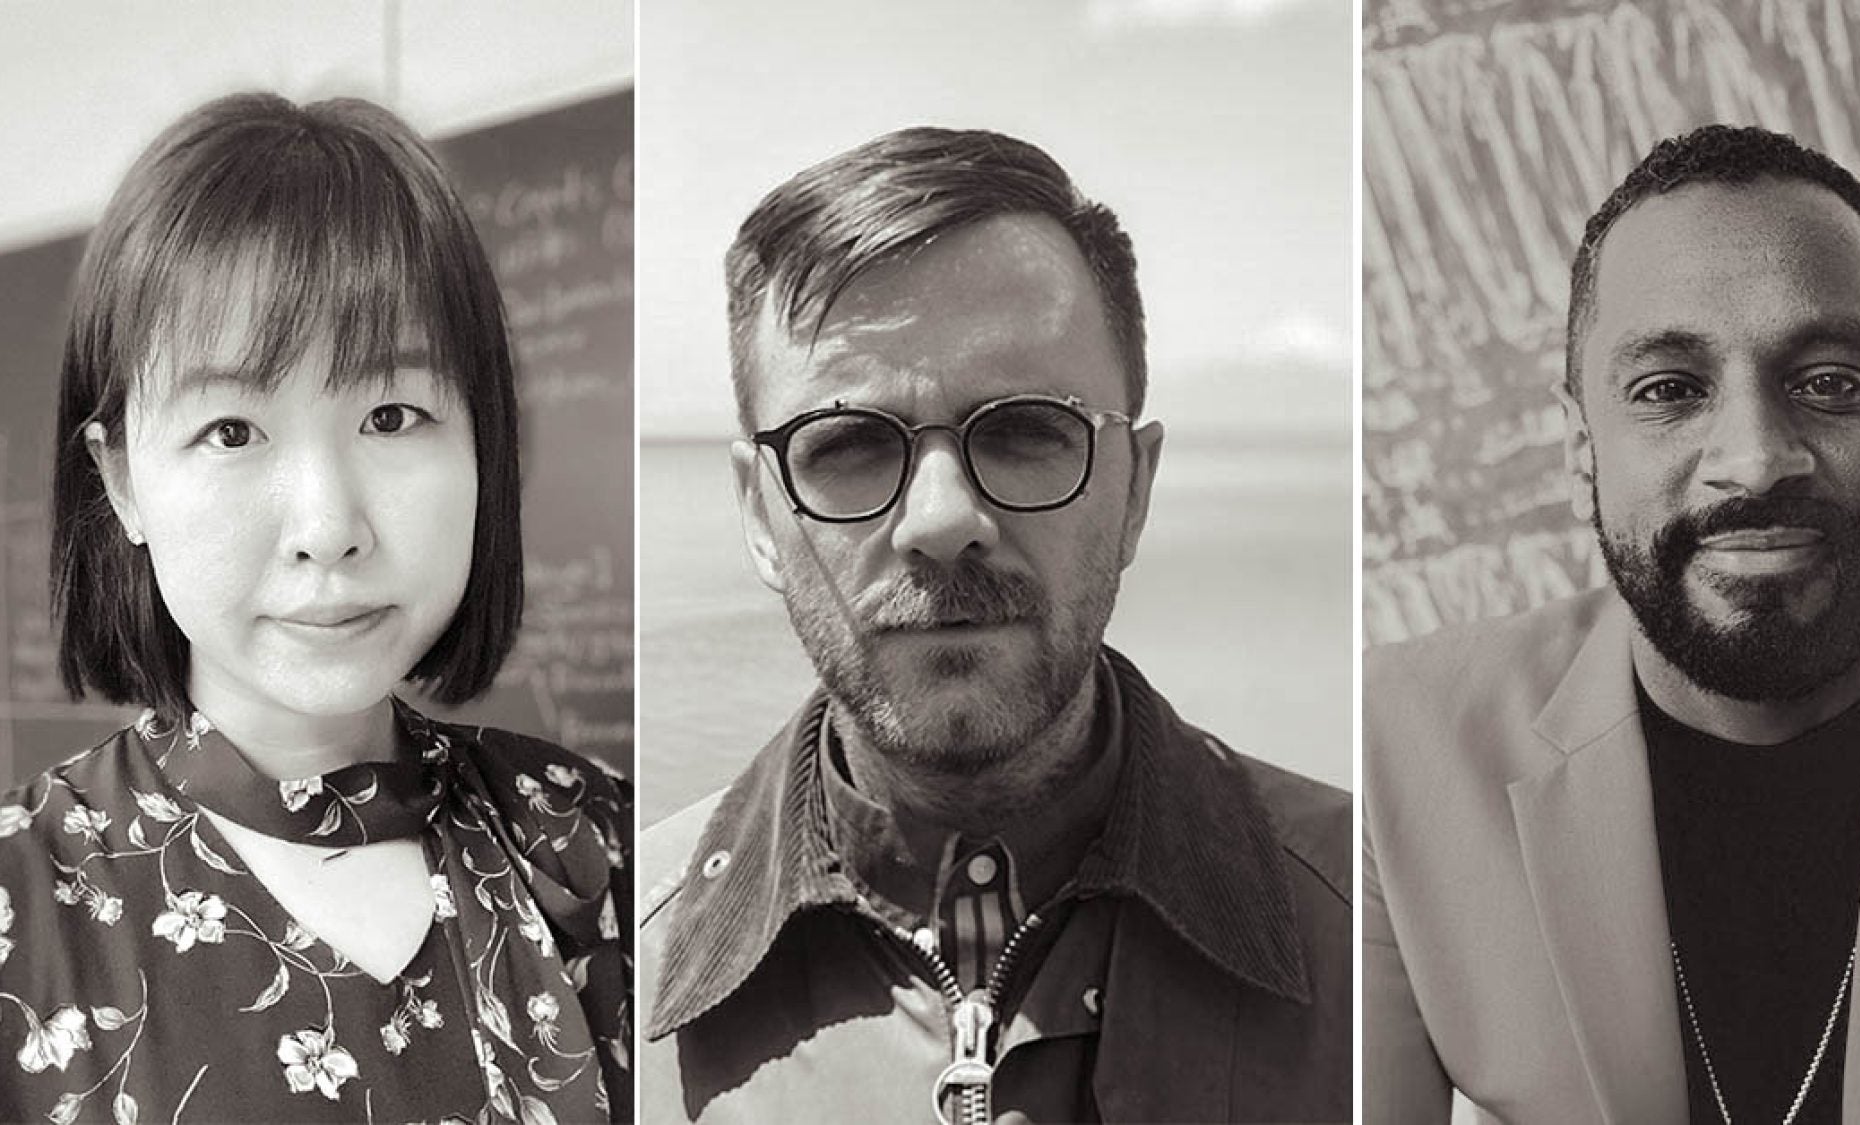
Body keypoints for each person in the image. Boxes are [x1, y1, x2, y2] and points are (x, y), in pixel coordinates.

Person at [638, 127, 1351, 1123]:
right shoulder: (613, 975)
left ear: (1134, 489)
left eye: (1023, 432)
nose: (939, 522)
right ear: (760, 515)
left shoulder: (1373, 930)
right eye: (845, 444)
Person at [0, 94, 632, 1123]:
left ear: (483, 445)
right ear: (121, 483)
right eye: (233, 431)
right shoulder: (20, 905)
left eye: (391, 415)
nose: (328, 526)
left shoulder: (595, 841)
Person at [1363, 124, 1860, 1123]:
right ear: (1582, 446)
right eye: (1667, 390)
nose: (1752, 459)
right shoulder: (1392, 751)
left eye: (1827, 382)